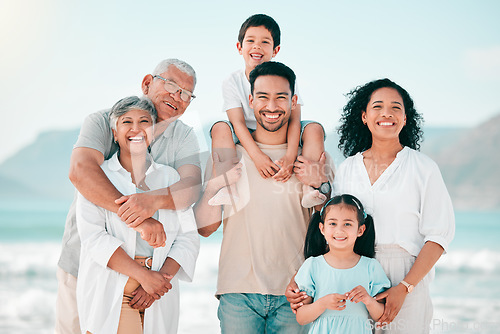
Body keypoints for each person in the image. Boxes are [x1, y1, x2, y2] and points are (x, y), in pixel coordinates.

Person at [287, 78, 455, 333]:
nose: (387, 113)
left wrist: (405, 287)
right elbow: (336, 227)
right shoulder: (349, 168)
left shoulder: (423, 168)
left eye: (396, 108)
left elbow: (439, 236)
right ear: (364, 116)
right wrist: (301, 278)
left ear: (406, 118)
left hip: (406, 271)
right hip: (354, 269)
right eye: (378, 106)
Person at [55, 58, 202, 334]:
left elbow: (191, 189)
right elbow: (81, 171)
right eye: (170, 85)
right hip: (86, 266)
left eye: (186, 93)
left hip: (155, 277)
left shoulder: (182, 138)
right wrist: (142, 221)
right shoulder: (105, 120)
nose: (177, 96)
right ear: (147, 82)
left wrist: (151, 202)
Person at [195, 61, 332, 333]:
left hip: (297, 292)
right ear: (250, 100)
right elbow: (205, 228)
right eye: (263, 97)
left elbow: (331, 226)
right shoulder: (228, 156)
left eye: (281, 97)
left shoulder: (310, 158)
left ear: (293, 102)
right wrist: (213, 187)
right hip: (238, 293)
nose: (272, 106)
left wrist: (322, 184)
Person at [209, 14, 327, 208]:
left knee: (314, 129)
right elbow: (237, 122)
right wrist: (257, 157)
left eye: (265, 42)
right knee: (220, 128)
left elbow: (295, 119)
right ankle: (227, 187)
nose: (257, 46)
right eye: (251, 41)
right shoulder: (231, 81)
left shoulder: (286, 78)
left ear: (275, 50)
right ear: (240, 48)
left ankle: (311, 188)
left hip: (281, 125)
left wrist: (290, 157)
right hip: (246, 131)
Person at [295, 194, 390, 333]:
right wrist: (323, 303)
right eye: (332, 223)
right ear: (322, 229)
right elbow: (301, 318)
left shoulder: (371, 266)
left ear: (360, 230)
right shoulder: (312, 265)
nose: (339, 230)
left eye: (347, 224)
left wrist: (368, 300)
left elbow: (380, 316)